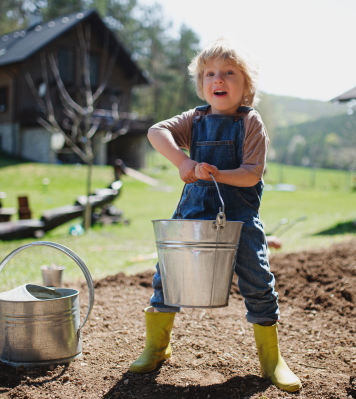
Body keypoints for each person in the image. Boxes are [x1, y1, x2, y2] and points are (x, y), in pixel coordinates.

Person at [129, 38, 301, 393]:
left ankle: (272, 360)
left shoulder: (251, 123)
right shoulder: (195, 118)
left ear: (246, 86)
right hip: (194, 209)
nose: (217, 79)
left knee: (257, 277)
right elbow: (155, 132)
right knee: (168, 275)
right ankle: (157, 347)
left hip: (238, 216)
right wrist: (184, 162)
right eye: (210, 74)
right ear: (202, 83)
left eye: (228, 73)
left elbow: (252, 173)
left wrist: (216, 174)